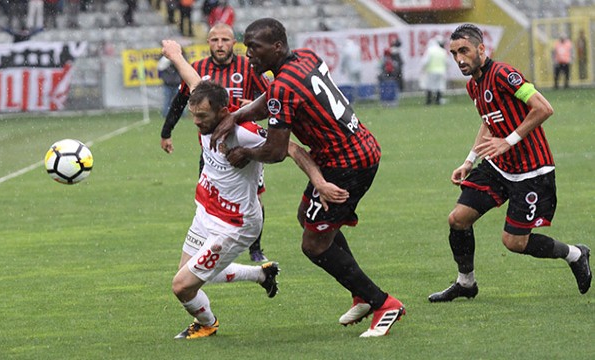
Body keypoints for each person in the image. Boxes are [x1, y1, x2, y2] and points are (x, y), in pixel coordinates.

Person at [210, 18, 406, 338]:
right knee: (308, 219)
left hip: (348, 163)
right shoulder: (305, 57)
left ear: (276, 47)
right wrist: (238, 114)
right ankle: (361, 295)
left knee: (314, 246)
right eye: (247, 49)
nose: (249, 56)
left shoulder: (284, 86)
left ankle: (384, 303)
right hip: (350, 150)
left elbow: (275, 150)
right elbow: (273, 97)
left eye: (255, 49)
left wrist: (245, 153)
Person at [161, 39, 350, 339]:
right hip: (206, 211)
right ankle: (262, 273)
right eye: (194, 117)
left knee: (182, 285)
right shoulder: (206, 107)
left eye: (203, 118)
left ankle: (207, 324)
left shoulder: (243, 132)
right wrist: (175, 55)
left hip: (235, 224)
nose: (197, 123)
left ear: (224, 111)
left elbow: (293, 149)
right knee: (195, 274)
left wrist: (319, 182)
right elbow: (194, 81)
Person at [428, 24, 591, 303]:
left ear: (481, 49)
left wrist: (509, 140)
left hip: (532, 169)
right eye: (454, 53)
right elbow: (488, 122)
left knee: (514, 243)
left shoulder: (504, 74)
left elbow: (543, 108)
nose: (459, 59)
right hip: (499, 166)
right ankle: (466, 283)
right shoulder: (474, 86)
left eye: (464, 51)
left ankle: (575, 254)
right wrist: (469, 160)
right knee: (458, 219)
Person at [161, 23, 271, 263]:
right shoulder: (199, 68)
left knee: (254, 198)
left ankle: (255, 248)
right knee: (209, 197)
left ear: (234, 43)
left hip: (244, 145)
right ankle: (212, 242)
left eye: (225, 40)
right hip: (210, 149)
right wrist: (166, 131)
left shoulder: (248, 67)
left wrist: (250, 107)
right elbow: (182, 99)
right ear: (208, 43)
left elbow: (271, 99)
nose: (220, 45)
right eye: (214, 40)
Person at [421, 35, 448, 105]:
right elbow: (447, 62)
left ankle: (429, 101)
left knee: (429, 86)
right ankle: (438, 100)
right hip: (441, 71)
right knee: (439, 86)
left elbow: (425, 61)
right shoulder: (442, 51)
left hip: (431, 71)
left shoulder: (430, 51)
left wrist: (422, 69)